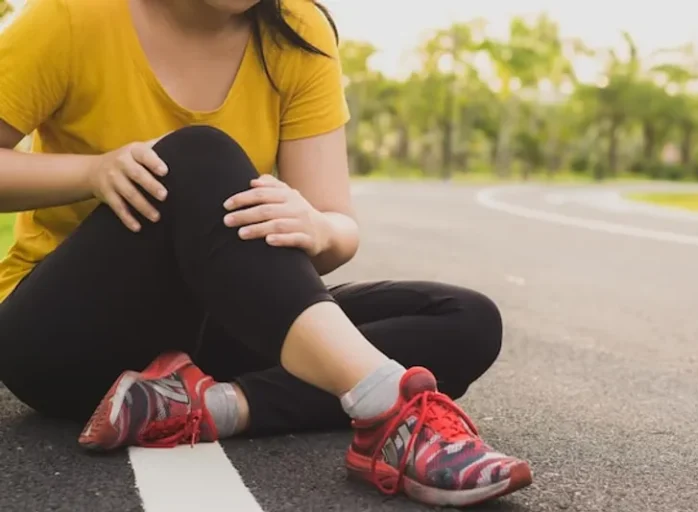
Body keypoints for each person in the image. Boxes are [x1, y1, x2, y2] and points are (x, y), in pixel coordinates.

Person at [0, 0, 532, 507]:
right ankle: (391, 410)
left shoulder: (297, 34)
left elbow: (338, 226)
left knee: (465, 321)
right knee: (197, 153)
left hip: (206, 333)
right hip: (65, 340)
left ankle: (207, 406)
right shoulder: (73, 16)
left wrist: (317, 228)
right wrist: (91, 171)